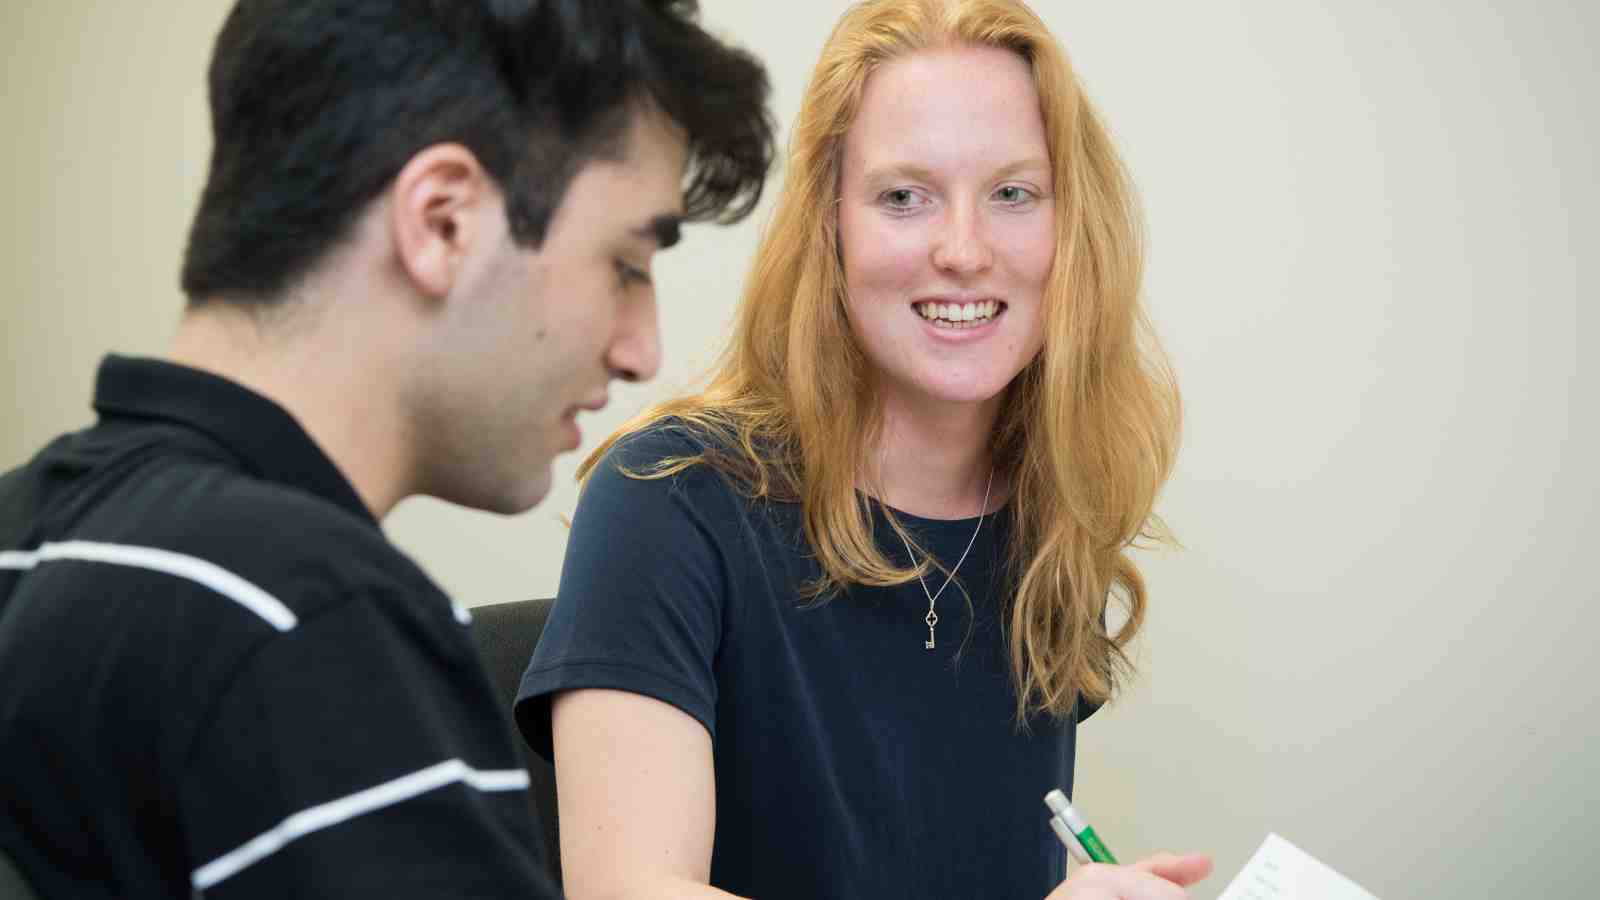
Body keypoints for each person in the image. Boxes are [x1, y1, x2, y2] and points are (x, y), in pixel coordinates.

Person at [0, 0, 773, 897]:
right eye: (626, 265)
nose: (642, 350)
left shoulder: (29, 523)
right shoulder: (308, 621)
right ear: (442, 221)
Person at [515, 0, 1209, 898]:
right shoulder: (667, 496)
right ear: (829, 228)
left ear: (1070, 230)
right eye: (903, 197)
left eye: (1012, 193)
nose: (963, 250)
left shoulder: (1053, 508)